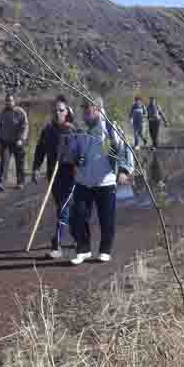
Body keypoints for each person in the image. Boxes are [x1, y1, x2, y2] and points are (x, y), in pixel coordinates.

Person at [65, 98, 134, 265]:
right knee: (77, 216)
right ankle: (83, 250)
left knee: (106, 219)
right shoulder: (80, 130)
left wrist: (124, 170)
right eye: (84, 108)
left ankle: (105, 250)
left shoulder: (108, 128)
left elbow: (124, 149)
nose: (85, 112)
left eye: (88, 108)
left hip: (106, 181)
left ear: (99, 108)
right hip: (83, 181)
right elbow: (72, 152)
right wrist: (75, 158)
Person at [31, 99, 76, 258]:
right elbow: (40, 150)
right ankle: (78, 236)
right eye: (55, 110)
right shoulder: (48, 130)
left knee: (63, 208)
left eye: (61, 110)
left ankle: (57, 246)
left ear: (67, 112)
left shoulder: (73, 130)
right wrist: (36, 168)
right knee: (62, 209)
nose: (58, 113)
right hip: (53, 174)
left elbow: (82, 153)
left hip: (71, 175)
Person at [0, 93, 29, 191]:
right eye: (7, 101)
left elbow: (25, 125)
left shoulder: (20, 112)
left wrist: (22, 139)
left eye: (10, 100)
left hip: (18, 141)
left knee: (20, 162)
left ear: (14, 101)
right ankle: (1, 183)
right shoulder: (2, 113)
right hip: (5, 142)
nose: (9, 102)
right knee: (4, 162)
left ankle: (20, 182)